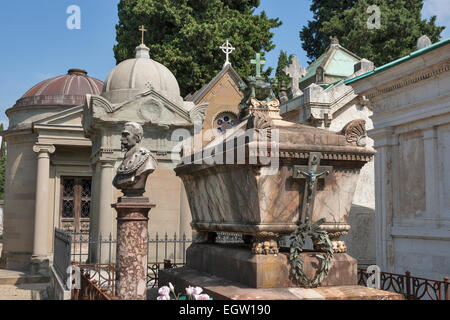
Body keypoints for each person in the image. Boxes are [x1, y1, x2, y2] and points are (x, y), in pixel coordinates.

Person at [113, 122, 158, 197]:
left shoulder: (147, 157)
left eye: (126, 135)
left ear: (137, 137)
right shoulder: (126, 158)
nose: (121, 139)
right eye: (122, 135)